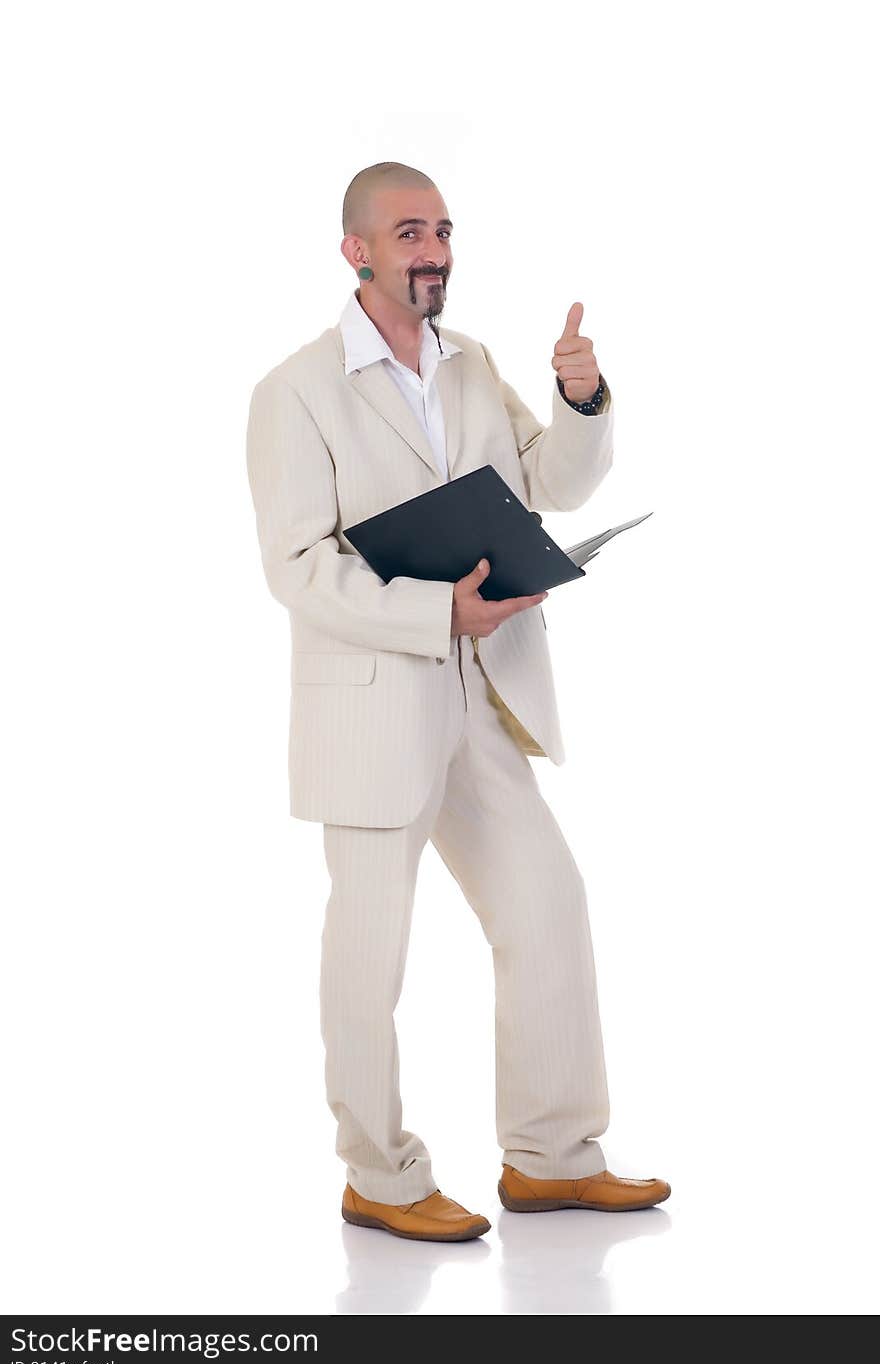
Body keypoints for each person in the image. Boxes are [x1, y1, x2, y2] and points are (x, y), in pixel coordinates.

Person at [245, 161, 670, 1243]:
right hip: (377, 699)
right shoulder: (292, 390)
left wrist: (579, 400)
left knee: (546, 905)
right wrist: (440, 612)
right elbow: (295, 565)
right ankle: (379, 1178)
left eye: (440, 229)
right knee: (369, 953)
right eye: (406, 232)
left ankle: (551, 1156)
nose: (431, 250)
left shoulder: (473, 363)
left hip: (484, 697)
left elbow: (552, 483)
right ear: (358, 251)